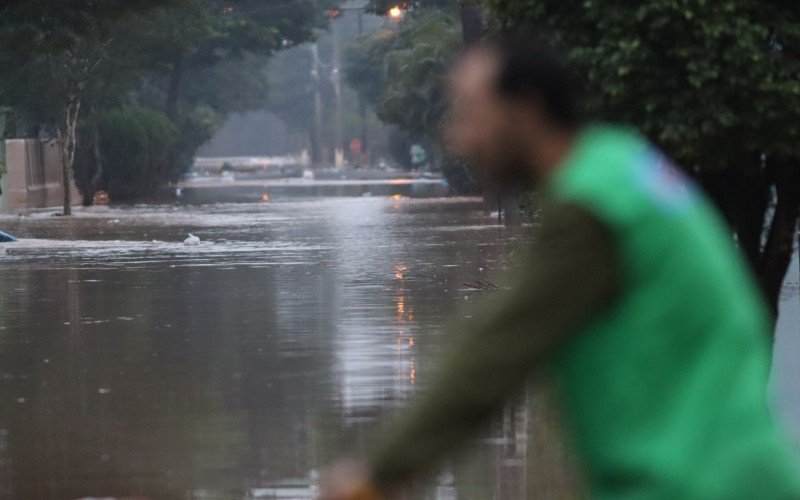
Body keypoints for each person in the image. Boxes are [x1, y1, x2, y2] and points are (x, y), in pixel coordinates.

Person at [321, 36, 800, 499]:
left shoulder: (592, 208)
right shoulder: (620, 165)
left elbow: (494, 354)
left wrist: (374, 475)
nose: (458, 139)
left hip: (687, 485)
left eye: (471, 117)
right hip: (729, 472)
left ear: (526, 108)